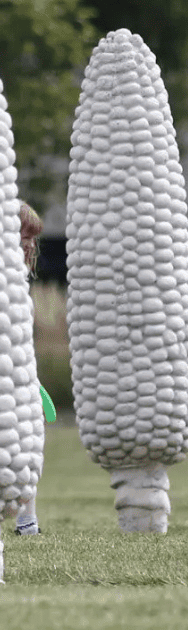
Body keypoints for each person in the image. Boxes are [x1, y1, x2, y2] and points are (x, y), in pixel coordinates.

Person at [14, 201, 45, 536]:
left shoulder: (23, 294)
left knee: (27, 445)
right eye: (23, 234)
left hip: (21, 382)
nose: (29, 243)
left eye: (33, 237)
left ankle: (27, 523)